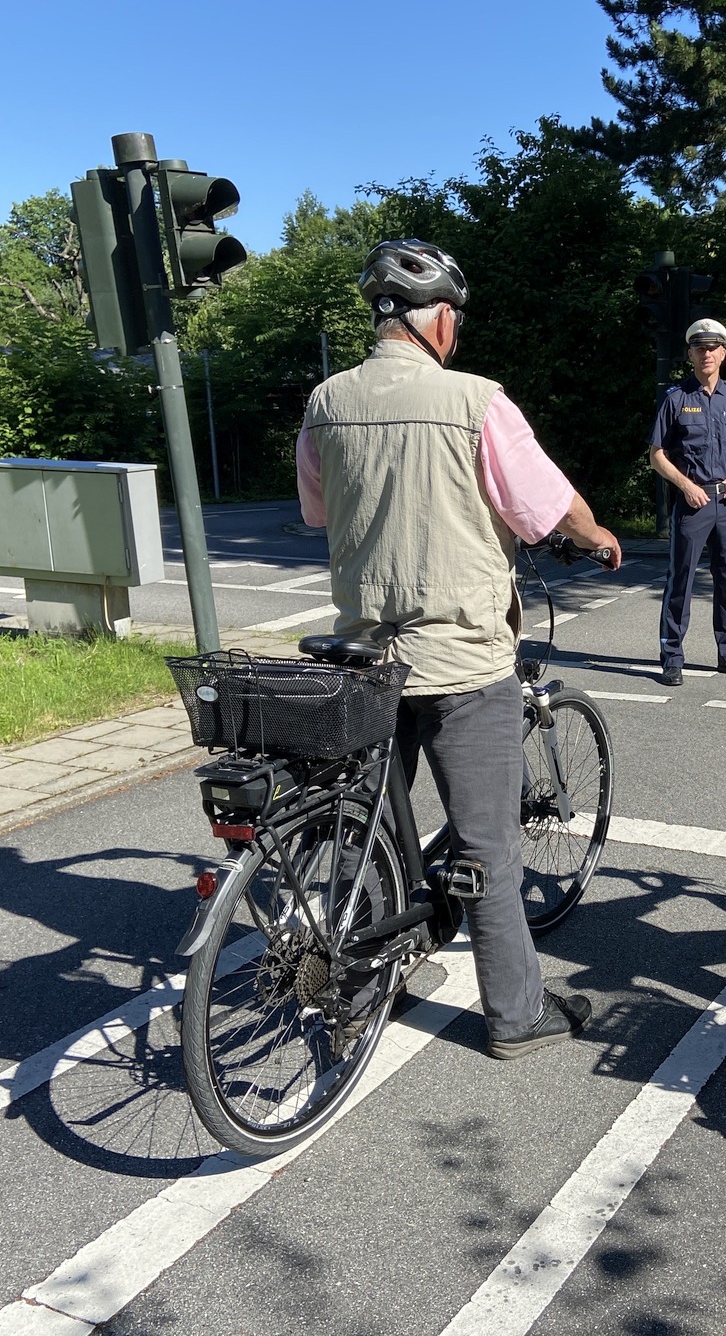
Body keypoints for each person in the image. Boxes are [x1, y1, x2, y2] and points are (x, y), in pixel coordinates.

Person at [296, 239, 621, 1060]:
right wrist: (599, 536)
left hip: (365, 658)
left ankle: (361, 982)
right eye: (457, 319)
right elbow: (547, 508)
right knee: (489, 847)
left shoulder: (326, 401)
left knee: (364, 830)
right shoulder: (477, 402)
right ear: (438, 319)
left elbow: (317, 511)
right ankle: (515, 1016)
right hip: (462, 661)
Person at [649, 318, 726, 686]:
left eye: (713, 347)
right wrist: (685, 485)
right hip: (693, 504)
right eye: (700, 348)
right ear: (690, 354)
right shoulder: (676, 399)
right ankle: (672, 656)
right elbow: (657, 454)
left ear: (723, 353)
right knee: (680, 580)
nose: (706, 353)